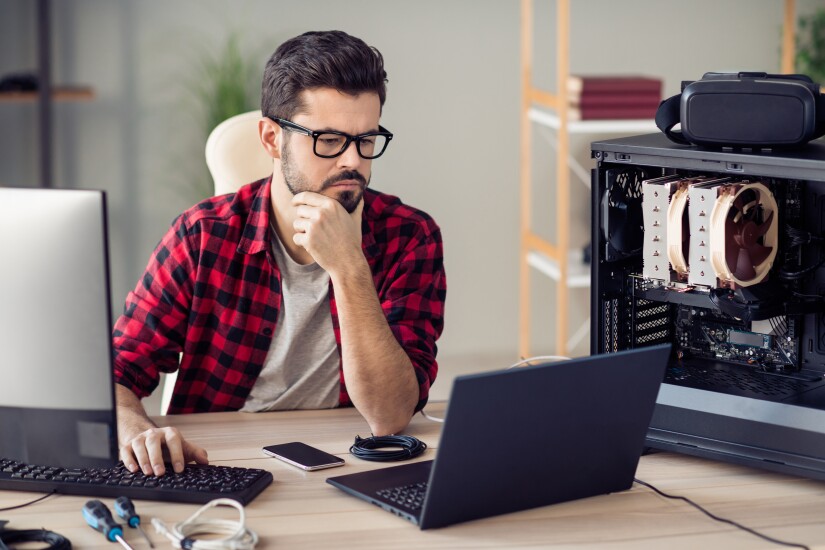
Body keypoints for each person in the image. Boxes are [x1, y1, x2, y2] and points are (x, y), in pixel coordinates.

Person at [112, 30, 446, 477]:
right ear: (272, 139)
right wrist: (134, 428)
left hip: (349, 462)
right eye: (329, 140)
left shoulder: (411, 237)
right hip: (220, 464)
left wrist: (349, 267)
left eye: (366, 139)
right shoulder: (202, 235)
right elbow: (115, 375)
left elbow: (389, 416)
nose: (353, 162)